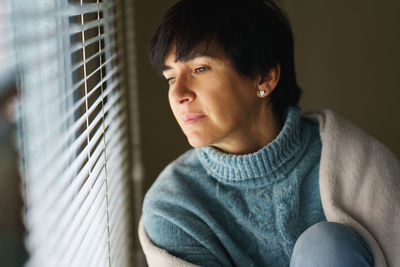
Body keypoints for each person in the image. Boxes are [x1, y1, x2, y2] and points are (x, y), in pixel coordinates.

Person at [139, 0, 400, 266]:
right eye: (171, 77)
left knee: (326, 245)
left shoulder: (358, 166)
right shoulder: (173, 206)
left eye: (200, 69)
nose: (178, 93)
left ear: (264, 77)